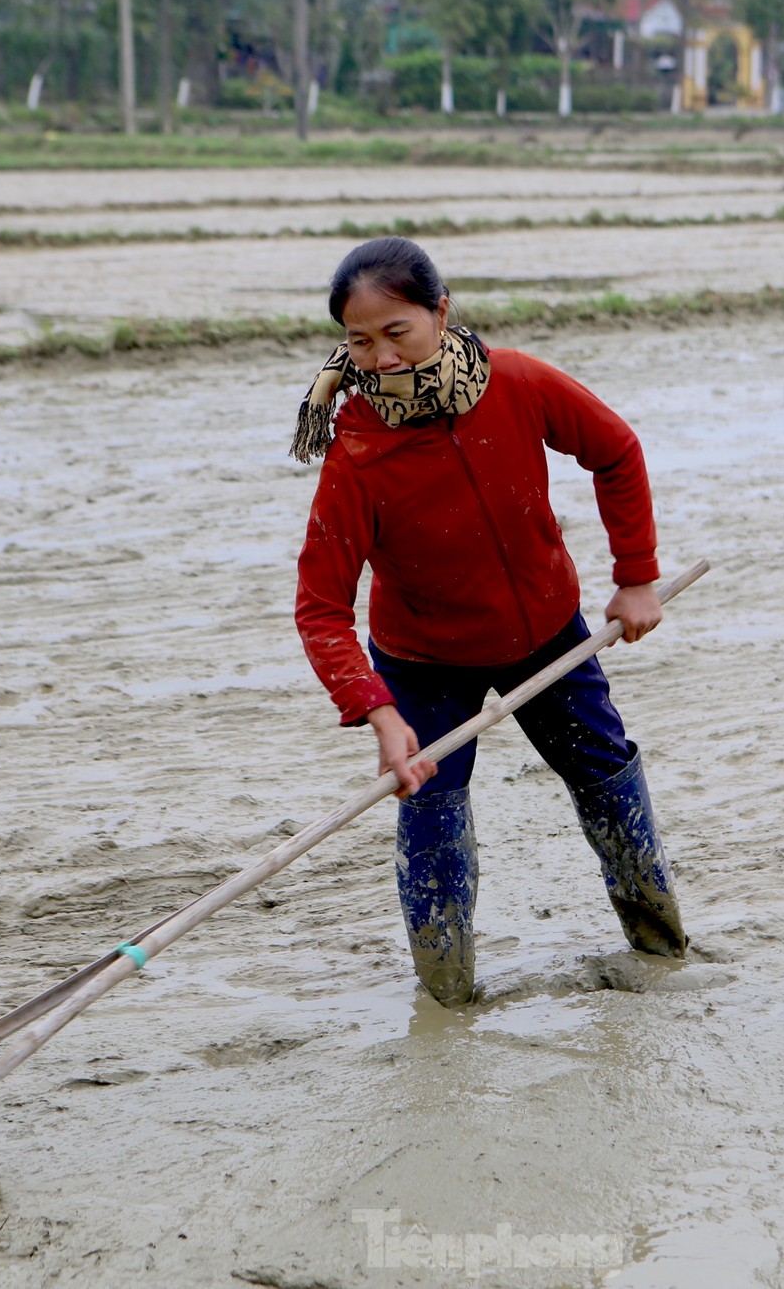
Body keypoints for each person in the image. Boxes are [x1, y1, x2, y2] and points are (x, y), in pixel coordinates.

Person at [291, 236, 687, 1009]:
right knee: (431, 822)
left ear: (440, 312)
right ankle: (446, 992)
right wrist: (377, 709)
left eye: (396, 332)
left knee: (608, 781)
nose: (378, 358)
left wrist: (636, 577)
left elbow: (616, 451)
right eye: (359, 341)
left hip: (548, 634)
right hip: (423, 663)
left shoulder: (515, 382)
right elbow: (321, 607)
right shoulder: (358, 455)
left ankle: (662, 944)